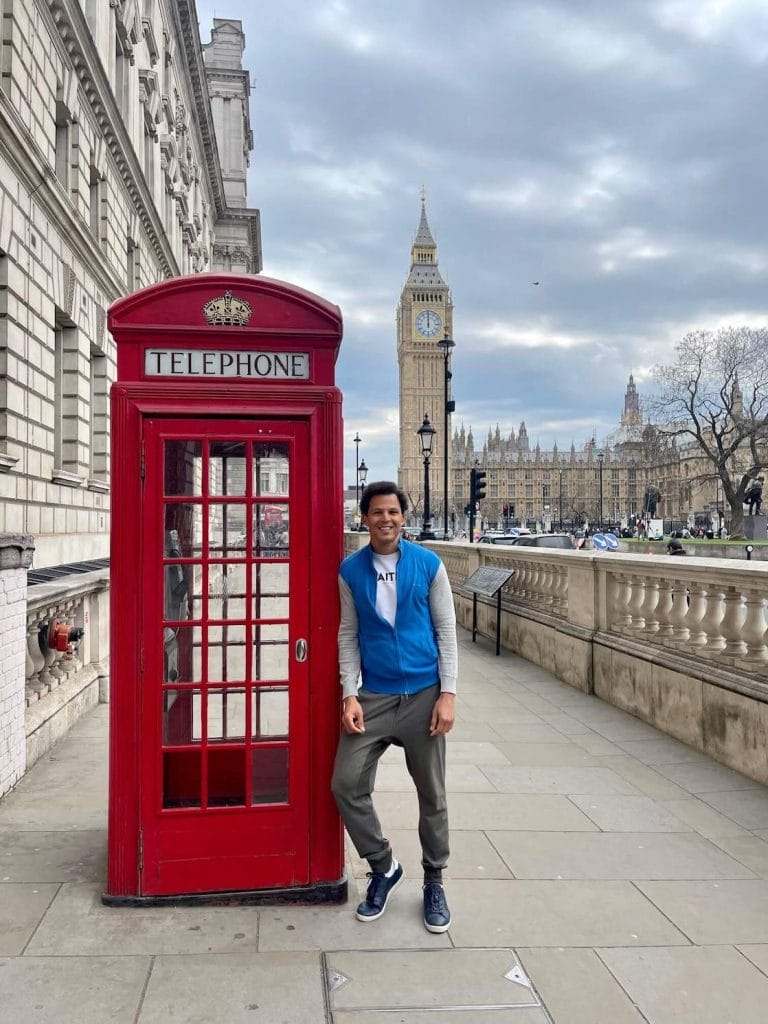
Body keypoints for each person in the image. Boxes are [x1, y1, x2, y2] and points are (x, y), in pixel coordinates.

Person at [331, 481, 458, 933]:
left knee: (432, 795)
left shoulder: (428, 564)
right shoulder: (351, 570)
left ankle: (435, 881)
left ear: (404, 517)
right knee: (345, 783)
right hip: (375, 695)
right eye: (377, 512)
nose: (386, 519)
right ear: (364, 518)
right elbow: (348, 635)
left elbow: (446, 631)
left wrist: (448, 693)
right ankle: (383, 866)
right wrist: (349, 692)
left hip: (424, 693)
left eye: (394, 512)